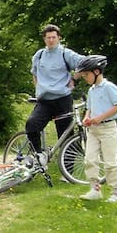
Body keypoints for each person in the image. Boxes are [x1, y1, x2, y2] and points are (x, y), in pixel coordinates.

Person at [26, 24, 85, 167]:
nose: (51, 40)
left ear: (59, 38)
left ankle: (68, 171)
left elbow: (85, 63)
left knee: (65, 135)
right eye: (48, 38)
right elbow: (34, 73)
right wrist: (38, 88)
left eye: (54, 37)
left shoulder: (66, 54)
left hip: (62, 99)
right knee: (32, 125)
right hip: (44, 100)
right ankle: (39, 156)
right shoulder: (39, 55)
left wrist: (74, 79)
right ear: (44, 39)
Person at [75, 55, 117, 203]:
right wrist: (87, 117)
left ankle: (116, 193)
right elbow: (89, 108)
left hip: (108, 128)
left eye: (87, 75)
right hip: (93, 130)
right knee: (90, 159)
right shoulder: (92, 90)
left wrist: (100, 118)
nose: (85, 78)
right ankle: (94, 189)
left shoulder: (109, 87)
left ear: (97, 71)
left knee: (110, 162)